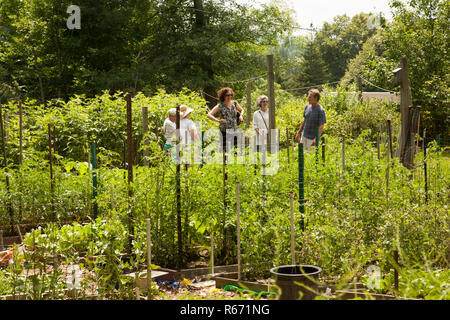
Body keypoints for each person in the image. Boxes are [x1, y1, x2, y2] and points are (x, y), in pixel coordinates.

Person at [206, 87, 244, 151]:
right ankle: (225, 161)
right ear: (223, 95)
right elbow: (209, 115)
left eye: (231, 95)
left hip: (234, 130)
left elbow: (242, 110)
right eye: (227, 95)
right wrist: (217, 120)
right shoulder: (219, 106)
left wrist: (241, 116)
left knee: (235, 150)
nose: (229, 96)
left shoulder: (235, 103)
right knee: (225, 151)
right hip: (224, 131)